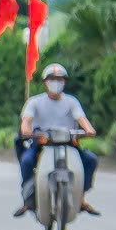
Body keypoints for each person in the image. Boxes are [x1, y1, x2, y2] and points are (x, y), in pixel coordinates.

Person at [15, 64, 99, 217]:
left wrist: (88, 130)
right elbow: (26, 121)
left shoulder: (71, 102)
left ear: (64, 82)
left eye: (59, 79)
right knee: (27, 161)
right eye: (52, 79)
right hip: (41, 144)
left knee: (91, 160)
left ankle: (81, 198)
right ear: (45, 82)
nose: (56, 82)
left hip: (68, 143)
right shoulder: (34, 102)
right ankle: (28, 198)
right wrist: (27, 131)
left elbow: (82, 119)